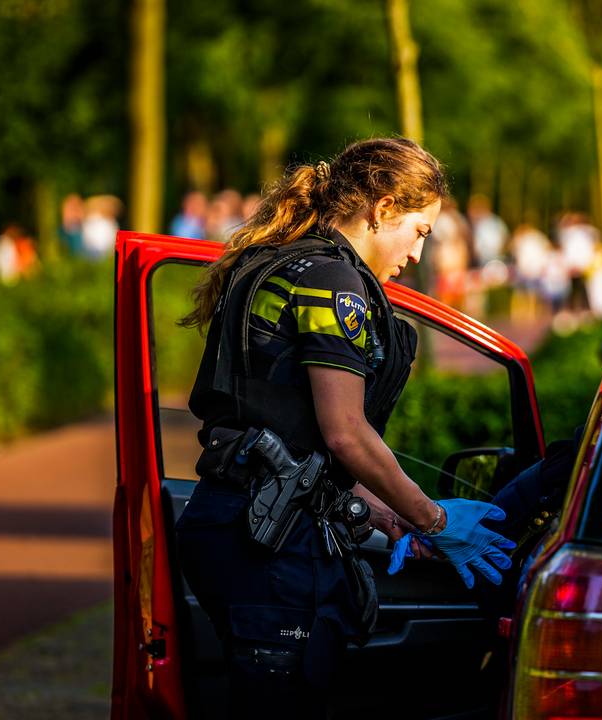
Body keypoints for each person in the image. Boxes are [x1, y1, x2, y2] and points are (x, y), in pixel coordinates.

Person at [174, 138, 515, 719]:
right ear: (383, 210)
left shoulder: (282, 261)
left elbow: (299, 439)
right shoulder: (333, 282)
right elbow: (345, 434)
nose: (417, 253)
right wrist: (432, 516)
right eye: (420, 231)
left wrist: (390, 517)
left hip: (243, 523)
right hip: (269, 547)